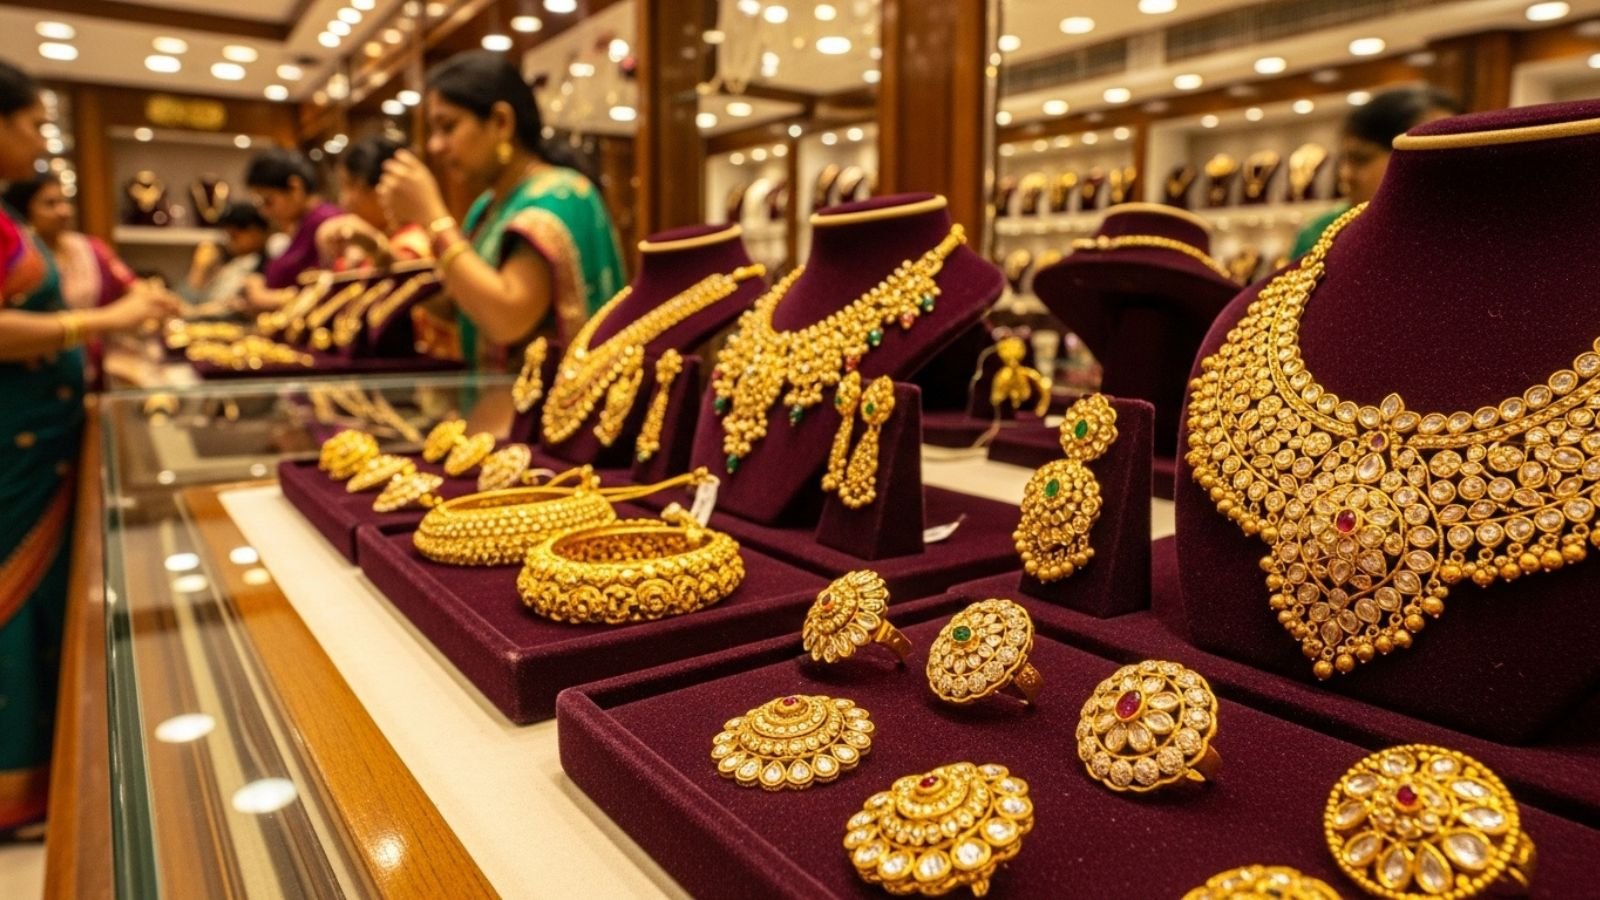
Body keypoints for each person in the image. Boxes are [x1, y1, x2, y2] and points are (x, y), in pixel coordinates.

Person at [0, 58, 176, 841]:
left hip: (41, 435)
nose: (42, 142)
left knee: (43, 599)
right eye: (34, 124)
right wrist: (98, 325)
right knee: (17, 602)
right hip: (16, 443)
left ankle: (40, 772)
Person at [378, 50, 625, 370]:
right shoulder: (487, 206)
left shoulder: (559, 195)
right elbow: (463, 304)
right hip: (496, 406)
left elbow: (506, 319)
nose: (436, 146)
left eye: (448, 127)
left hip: (550, 411)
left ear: (501, 121)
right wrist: (381, 254)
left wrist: (433, 217)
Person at [1290, 86, 1462, 257]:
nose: (1345, 174)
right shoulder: (1322, 235)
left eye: (1361, 158)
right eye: (1346, 159)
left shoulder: (1467, 232)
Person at [3, 173, 135, 311]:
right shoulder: (17, 253)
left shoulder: (90, 248)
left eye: (65, 202)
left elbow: (130, 284)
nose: (64, 211)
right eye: (50, 204)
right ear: (23, 209)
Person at [241, 147, 341, 309]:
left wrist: (266, 297)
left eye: (268, 201)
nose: (264, 212)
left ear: (295, 188)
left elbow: (331, 291)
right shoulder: (303, 223)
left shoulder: (326, 222)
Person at [317, 135, 431, 270]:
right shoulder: (366, 243)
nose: (344, 200)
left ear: (382, 187)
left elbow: (410, 273)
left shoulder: (414, 238)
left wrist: (371, 242)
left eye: (351, 185)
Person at [184, 201, 271, 306]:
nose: (230, 242)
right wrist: (199, 269)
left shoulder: (264, 266)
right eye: (228, 236)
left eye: (235, 236)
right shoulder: (230, 262)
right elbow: (193, 298)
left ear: (255, 232)